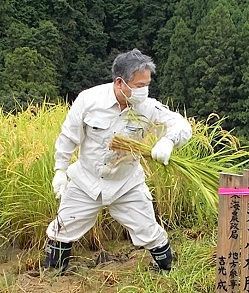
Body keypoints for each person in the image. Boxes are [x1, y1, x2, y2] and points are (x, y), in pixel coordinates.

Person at [44, 48, 192, 275]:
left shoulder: (147, 107)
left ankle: (167, 271)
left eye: (147, 85)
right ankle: (53, 274)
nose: (144, 90)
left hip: (127, 183)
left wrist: (169, 141)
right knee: (63, 227)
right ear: (120, 82)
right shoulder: (89, 100)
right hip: (87, 180)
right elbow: (68, 137)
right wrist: (60, 170)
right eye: (140, 85)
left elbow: (181, 125)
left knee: (149, 231)